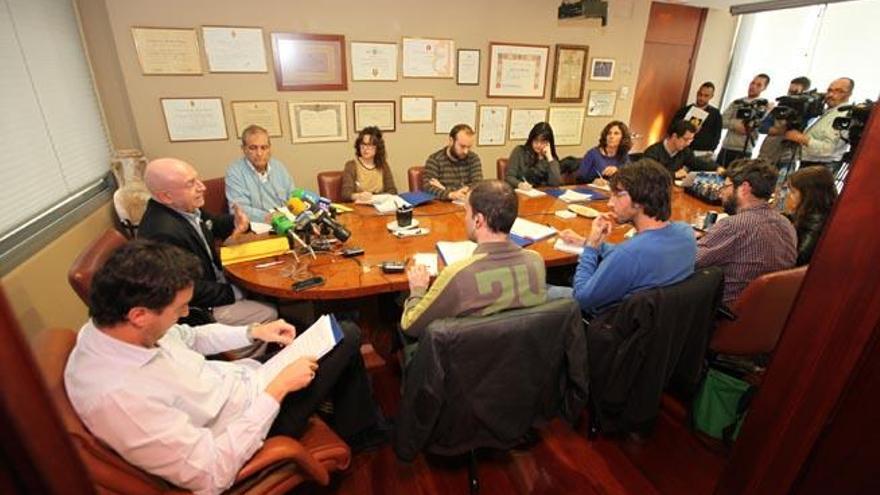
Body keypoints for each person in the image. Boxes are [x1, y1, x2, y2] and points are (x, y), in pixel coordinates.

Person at [64, 240, 387, 495]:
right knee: (347, 335)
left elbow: (190, 336)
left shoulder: (112, 329)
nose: (185, 313)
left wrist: (254, 331)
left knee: (334, 336)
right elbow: (210, 474)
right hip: (256, 422)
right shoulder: (120, 397)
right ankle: (363, 433)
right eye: (179, 308)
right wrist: (278, 389)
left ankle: (359, 428)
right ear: (139, 315)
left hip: (245, 382)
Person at [140, 157, 278, 325]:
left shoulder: (183, 207)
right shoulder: (162, 233)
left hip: (216, 281)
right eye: (191, 184)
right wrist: (237, 292)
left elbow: (212, 223)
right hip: (201, 308)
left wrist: (238, 222)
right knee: (268, 312)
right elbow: (185, 289)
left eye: (197, 179)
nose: (202, 187)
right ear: (166, 196)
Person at [401, 180, 546, 338]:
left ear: (478, 220)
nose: (465, 219)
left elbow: (411, 326)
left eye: (466, 212)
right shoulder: (536, 261)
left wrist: (417, 290)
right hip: (524, 350)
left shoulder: (458, 275)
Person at [557, 159, 696, 315]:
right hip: (660, 320)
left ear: (641, 199)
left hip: (611, 320)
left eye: (618, 195)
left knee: (544, 289)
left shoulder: (627, 254)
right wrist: (586, 241)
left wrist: (590, 248)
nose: (610, 203)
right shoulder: (686, 232)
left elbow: (582, 299)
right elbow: (639, 257)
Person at [696, 159, 797, 304]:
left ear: (744, 188)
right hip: (764, 308)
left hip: (723, 308)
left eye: (725, 187)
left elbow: (689, 262)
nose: (720, 194)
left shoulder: (734, 225)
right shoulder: (786, 224)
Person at [784, 77, 855, 172]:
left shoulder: (844, 116)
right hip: (809, 163)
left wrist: (801, 138)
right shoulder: (828, 112)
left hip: (822, 168)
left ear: (849, 94)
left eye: (839, 91)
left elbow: (829, 149)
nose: (831, 94)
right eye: (829, 90)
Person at [225, 125, 294, 222]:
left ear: (269, 148)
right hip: (257, 225)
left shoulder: (279, 167)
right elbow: (238, 209)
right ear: (243, 149)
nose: (259, 153)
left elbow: (292, 196)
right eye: (253, 148)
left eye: (264, 147)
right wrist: (269, 217)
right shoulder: (235, 172)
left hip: (286, 222)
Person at [783, 166, 837, 266]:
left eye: (793, 192)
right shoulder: (813, 214)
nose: (788, 195)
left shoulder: (815, 225)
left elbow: (798, 259)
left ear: (809, 195)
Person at [718, 73, 771, 166]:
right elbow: (721, 121)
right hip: (727, 147)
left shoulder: (764, 107)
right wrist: (735, 125)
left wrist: (768, 112)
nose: (753, 87)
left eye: (758, 85)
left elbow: (763, 127)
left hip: (745, 150)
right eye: (752, 83)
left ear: (764, 88)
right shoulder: (736, 103)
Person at [758, 76, 812, 167]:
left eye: (795, 92)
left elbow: (803, 133)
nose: (791, 95)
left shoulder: (808, 113)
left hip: (786, 158)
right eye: (790, 91)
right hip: (767, 153)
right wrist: (778, 131)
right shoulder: (781, 106)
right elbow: (762, 127)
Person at [423, 124, 483, 201]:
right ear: (451, 141)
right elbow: (428, 188)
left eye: (469, 147)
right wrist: (451, 194)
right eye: (462, 146)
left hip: (467, 204)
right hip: (444, 206)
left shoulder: (473, 158)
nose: (466, 151)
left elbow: (478, 184)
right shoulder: (435, 160)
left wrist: (444, 188)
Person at [340, 126, 398, 202]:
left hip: (379, 204)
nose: (365, 148)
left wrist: (374, 197)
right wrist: (358, 196)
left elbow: (392, 191)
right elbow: (345, 194)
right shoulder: (351, 165)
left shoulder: (383, 165)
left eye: (370, 145)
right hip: (359, 205)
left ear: (377, 148)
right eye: (363, 144)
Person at [504, 122, 562, 189]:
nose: (538, 145)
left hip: (543, 193)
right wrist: (519, 184)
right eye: (536, 140)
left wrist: (549, 157)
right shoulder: (520, 151)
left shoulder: (551, 158)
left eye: (543, 141)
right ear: (531, 139)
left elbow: (555, 183)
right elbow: (509, 177)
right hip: (522, 192)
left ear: (549, 143)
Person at [672, 82, 722, 158]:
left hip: (703, 153)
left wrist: (711, 150)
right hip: (682, 151)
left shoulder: (715, 114)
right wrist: (684, 127)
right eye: (700, 94)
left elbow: (717, 136)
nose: (701, 98)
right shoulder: (684, 111)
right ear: (697, 93)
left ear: (711, 96)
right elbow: (672, 129)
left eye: (706, 96)